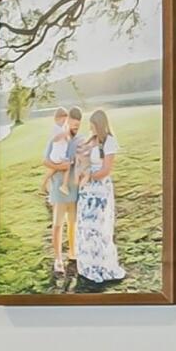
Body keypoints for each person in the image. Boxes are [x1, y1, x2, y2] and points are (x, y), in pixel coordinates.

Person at [72, 109, 125, 287]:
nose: (91, 129)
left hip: (100, 190)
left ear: (100, 125)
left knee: (99, 228)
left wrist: (89, 177)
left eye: (94, 126)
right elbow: (81, 158)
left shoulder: (109, 142)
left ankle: (102, 266)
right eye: (90, 126)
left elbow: (106, 170)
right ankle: (88, 265)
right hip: (86, 191)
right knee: (85, 227)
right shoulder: (91, 140)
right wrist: (80, 172)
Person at [42, 106, 79, 280]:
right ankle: (58, 259)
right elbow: (45, 161)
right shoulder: (55, 139)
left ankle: (73, 252)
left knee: (73, 222)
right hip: (59, 187)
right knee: (58, 223)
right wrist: (59, 166)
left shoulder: (78, 140)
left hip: (74, 188)